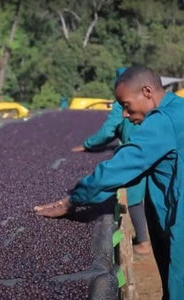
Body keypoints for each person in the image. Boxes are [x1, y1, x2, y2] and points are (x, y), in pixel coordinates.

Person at [34, 66, 184, 299]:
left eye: (125, 105)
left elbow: (120, 167)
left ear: (147, 92)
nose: (124, 114)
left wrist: (74, 199)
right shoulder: (179, 108)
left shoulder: (162, 122)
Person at [72, 68, 150, 255]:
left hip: (136, 153)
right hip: (148, 153)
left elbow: (107, 131)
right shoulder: (153, 104)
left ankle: (144, 242)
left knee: (133, 198)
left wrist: (88, 144)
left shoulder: (121, 105)